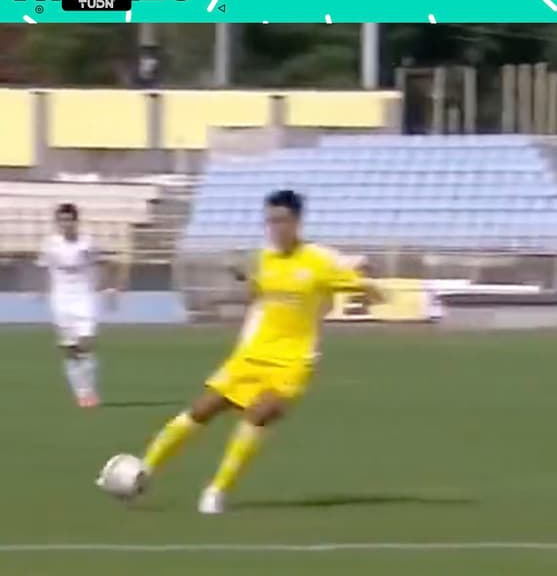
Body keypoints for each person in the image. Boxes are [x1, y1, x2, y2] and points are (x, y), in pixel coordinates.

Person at [119, 189, 383, 514]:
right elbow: (257, 292)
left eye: (281, 220)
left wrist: (368, 284)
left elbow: (363, 285)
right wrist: (243, 277)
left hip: (293, 361)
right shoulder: (264, 258)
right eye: (269, 221)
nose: (275, 227)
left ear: (297, 221)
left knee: (258, 414)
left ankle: (217, 490)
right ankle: (144, 470)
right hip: (251, 353)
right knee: (202, 409)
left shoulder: (319, 260)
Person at [37, 203, 117, 408]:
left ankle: (90, 390)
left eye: (69, 220)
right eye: (62, 220)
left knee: (86, 343)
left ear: (76, 221)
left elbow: (103, 264)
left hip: (85, 298)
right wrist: (40, 290)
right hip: (61, 300)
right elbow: (43, 268)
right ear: (57, 222)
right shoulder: (50, 245)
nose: (66, 224)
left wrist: (108, 289)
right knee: (70, 348)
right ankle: (82, 393)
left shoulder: (87, 243)